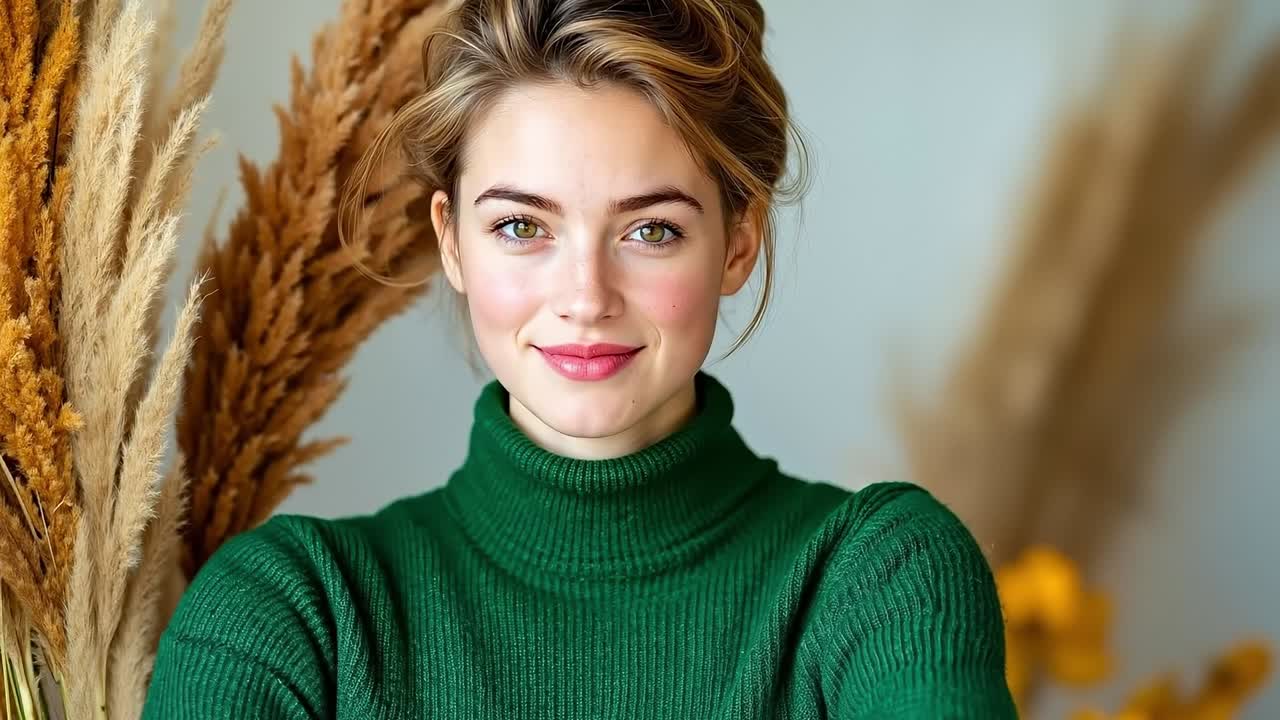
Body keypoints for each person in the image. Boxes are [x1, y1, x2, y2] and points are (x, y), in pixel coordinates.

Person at [142, 0, 1016, 717]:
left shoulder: (876, 583)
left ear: (739, 240)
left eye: (650, 230)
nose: (586, 296)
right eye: (522, 226)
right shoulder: (294, 615)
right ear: (453, 243)